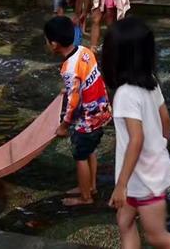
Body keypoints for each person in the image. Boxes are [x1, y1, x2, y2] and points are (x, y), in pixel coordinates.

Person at [102, 17, 170, 249]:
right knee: (124, 222)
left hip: (142, 180)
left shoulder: (125, 94)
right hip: (144, 173)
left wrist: (120, 185)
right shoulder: (150, 82)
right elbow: (166, 121)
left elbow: (136, 139)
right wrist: (159, 149)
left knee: (157, 237)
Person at [44, 16, 112, 207]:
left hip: (87, 120)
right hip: (102, 111)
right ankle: (90, 186)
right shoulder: (85, 51)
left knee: (80, 156)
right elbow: (85, 80)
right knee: (90, 150)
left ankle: (85, 197)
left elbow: (73, 104)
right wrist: (70, 88)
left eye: (46, 40)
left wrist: (64, 126)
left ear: (54, 44)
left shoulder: (68, 69)